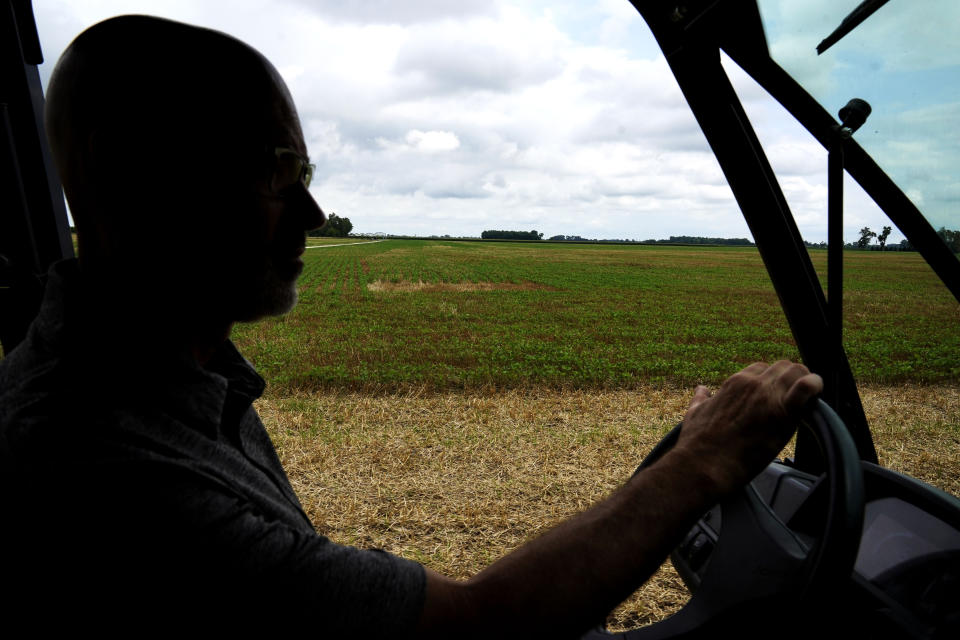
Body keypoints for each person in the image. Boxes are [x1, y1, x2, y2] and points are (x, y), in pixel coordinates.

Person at [0, 15, 823, 637]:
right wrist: (704, 459)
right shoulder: (98, 464)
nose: (315, 214)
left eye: (305, 174)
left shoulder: (167, 371)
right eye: (272, 172)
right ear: (128, 175)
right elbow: (478, 630)